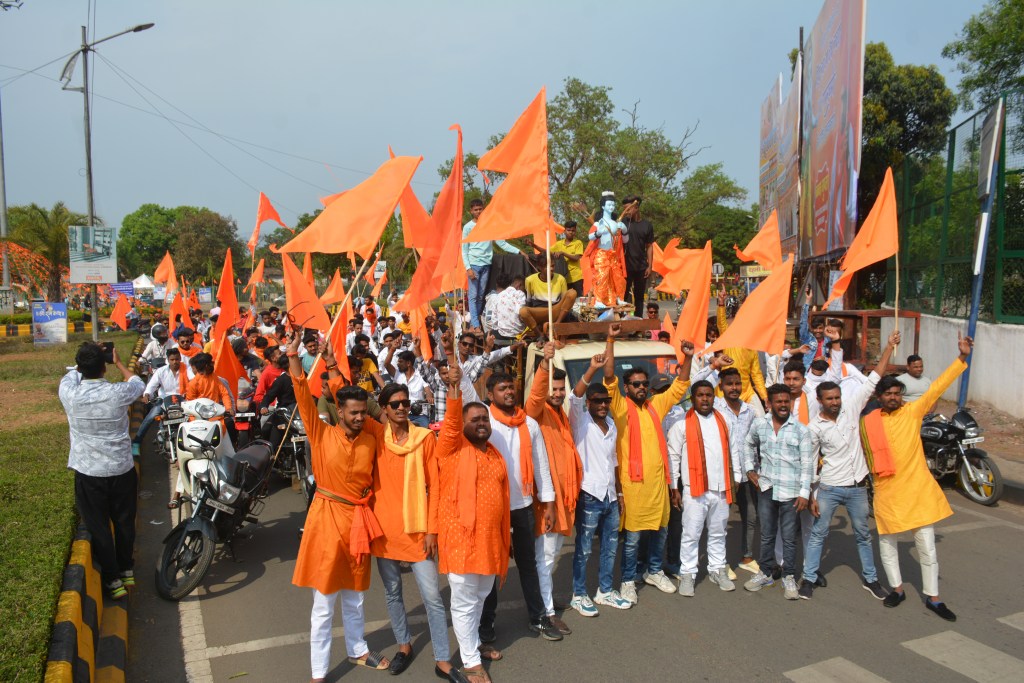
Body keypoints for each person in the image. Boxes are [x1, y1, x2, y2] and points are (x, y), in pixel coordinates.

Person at [288, 333, 391, 679]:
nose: (361, 417)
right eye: (354, 413)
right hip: (326, 520)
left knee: (356, 593)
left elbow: (384, 419)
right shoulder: (321, 433)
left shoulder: (372, 436)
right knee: (324, 601)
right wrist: (293, 357)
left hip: (359, 521)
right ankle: (318, 672)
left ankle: (358, 649)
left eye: (364, 412)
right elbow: (304, 397)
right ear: (339, 412)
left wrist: (334, 364)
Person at [868, 333, 974, 622]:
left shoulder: (912, 413)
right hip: (887, 490)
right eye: (888, 394)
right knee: (887, 545)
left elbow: (937, 386)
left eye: (896, 394)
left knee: (926, 547)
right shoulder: (869, 422)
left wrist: (961, 357)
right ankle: (897, 590)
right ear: (879, 398)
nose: (893, 398)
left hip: (916, 490)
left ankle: (934, 597)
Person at [355, 380, 454, 677]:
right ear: (384, 409)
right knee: (393, 593)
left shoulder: (424, 438)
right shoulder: (375, 434)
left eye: (405, 403)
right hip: (384, 533)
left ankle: (442, 658)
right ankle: (404, 646)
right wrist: (333, 366)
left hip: (417, 531)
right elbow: (350, 402)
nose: (401, 408)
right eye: (395, 404)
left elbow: (435, 487)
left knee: (433, 598)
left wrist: (433, 531)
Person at [799, 330, 900, 601]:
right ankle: (808, 578)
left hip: (857, 487)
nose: (835, 401)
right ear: (820, 401)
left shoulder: (853, 407)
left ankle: (871, 579)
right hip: (830, 487)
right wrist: (811, 494)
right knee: (819, 534)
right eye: (829, 398)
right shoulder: (814, 427)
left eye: (837, 397)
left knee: (863, 535)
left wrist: (889, 347)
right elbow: (810, 463)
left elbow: (875, 378)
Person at [605, 323, 693, 603]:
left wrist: (687, 357)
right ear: (626, 387)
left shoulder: (656, 405)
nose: (642, 388)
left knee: (661, 530)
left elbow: (680, 386)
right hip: (633, 485)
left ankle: (654, 571)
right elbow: (609, 376)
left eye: (644, 384)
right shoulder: (620, 407)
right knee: (632, 539)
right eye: (636, 384)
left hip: (658, 484)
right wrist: (610, 340)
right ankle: (629, 579)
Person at [436, 364, 510, 683]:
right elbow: (452, 423)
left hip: (489, 542)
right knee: (465, 602)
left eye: (484, 419)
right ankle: (469, 662)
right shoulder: (452, 448)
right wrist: (455, 390)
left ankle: (475, 645)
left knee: (480, 597)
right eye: (474, 420)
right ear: (462, 424)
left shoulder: (493, 452)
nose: (481, 424)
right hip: (461, 542)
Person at [479, 371, 562, 643]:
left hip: (524, 505)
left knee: (529, 564)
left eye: (511, 388)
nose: (509, 392)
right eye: (502, 389)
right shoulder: (484, 421)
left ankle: (538, 617)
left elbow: (541, 466)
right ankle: (486, 623)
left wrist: (548, 503)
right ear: (490, 394)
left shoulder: (529, 424)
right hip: (494, 507)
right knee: (492, 567)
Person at [59, 341, 146, 599]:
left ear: (81, 367)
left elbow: (71, 375)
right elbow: (138, 384)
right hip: (121, 469)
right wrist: (118, 362)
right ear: (104, 368)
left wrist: (86, 359)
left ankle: (112, 580)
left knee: (98, 527)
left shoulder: (70, 393)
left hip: (89, 472)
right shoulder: (117, 392)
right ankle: (126, 569)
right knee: (124, 522)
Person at [568, 353, 632, 616]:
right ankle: (579, 594)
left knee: (609, 546)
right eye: (598, 401)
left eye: (606, 401)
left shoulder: (612, 426)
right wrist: (593, 368)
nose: (604, 405)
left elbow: (613, 460)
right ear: (589, 404)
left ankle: (605, 591)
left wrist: (618, 491)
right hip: (589, 494)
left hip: (610, 496)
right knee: (583, 548)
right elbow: (575, 396)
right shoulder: (580, 422)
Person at [668, 380, 744, 596]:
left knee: (718, 532)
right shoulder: (681, 425)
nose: (704, 399)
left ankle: (717, 569)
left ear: (714, 397)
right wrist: (674, 487)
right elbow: (673, 457)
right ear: (692, 399)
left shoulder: (724, 421)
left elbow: (734, 450)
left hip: (720, 487)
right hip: (694, 490)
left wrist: (736, 476)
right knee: (691, 534)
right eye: (700, 395)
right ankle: (688, 574)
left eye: (708, 395)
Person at [526, 343, 583, 634]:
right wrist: (545, 364)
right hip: (547, 503)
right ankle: (544, 612)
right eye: (554, 389)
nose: (558, 393)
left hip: (564, 500)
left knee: (552, 555)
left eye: (561, 389)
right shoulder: (535, 413)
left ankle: (543, 601)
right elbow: (536, 396)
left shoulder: (560, 414)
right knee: (545, 557)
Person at [742, 384, 814, 600]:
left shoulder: (801, 430)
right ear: (770, 403)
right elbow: (747, 445)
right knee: (767, 534)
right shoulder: (759, 424)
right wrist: (750, 470)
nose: (783, 405)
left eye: (787, 401)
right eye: (779, 401)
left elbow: (807, 464)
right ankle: (765, 573)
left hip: (792, 492)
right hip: (766, 487)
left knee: (790, 537)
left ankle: (789, 576)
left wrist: (804, 493)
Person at [462, 197, 529, 330]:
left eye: (480, 209)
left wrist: (518, 251)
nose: (478, 212)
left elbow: (501, 242)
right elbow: (464, 249)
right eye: (476, 210)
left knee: (481, 295)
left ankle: (477, 321)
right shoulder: (468, 227)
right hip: (474, 264)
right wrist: (468, 268)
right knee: (473, 296)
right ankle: (475, 324)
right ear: (471, 211)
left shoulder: (489, 225)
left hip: (486, 263)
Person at [716, 288, 767, 415]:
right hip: (726, 389)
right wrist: (721, 303)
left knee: (761, 418)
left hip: (747, 391)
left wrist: (764, 397)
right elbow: (721, 324)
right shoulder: (729, 337)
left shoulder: (752, 348)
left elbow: (756, 374)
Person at [133, 347, 190, 456]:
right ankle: (136, 443)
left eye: (177, 359)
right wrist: (146, 394)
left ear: (180, 359)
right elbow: (152, 385)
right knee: (151, 417)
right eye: (172, 360)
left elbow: (193, 380)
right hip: (165, 399)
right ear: (168, 360)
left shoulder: (187, 369)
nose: (175, 362)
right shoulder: (161, 371)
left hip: (183, 399)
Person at [585, 192, 628, 307]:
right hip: (601, 254)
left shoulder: (616, 223)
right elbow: (590, 236)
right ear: (603, 206)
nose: (611, 207)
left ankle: (619, 298)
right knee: (602, 276)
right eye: (609, 205)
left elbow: (625, 240)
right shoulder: (598, 223)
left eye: (613, 205)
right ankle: (599, 300)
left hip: (613, 255)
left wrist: (624, 230)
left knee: (617, 277)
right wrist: (598, 232)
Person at [521, 255, 578, 339]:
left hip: (555, 309)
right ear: (539, 267)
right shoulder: (530, 280)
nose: (551, 268)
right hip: (539, 311)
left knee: (572, 293)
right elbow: (529, 301)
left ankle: (557, 325)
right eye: (547, 266)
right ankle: (539, 334)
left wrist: (558, 321)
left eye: (553, 266)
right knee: (523, 311)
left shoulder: (560, 279)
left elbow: (564, 300)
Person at [621, 195, 655, 317]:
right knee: (623, 296)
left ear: (636, 207)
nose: (626, 212)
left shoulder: (647, 225)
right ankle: (621, 323)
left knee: (639, 297)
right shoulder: (623, 223)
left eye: (628, 209)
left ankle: (638, 324)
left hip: (641, 267)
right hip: (625, 267)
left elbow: (649, 246)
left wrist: (650, 266)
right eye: (624, 209)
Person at [384, 350, 435, 428]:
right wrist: (393, 349)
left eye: (400, 362)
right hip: (400, 413)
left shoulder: (420, 375)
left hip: (418, 415)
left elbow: (428, 389)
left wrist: (429, 396)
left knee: (425, 427)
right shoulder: (397, 374)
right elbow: (386, 364)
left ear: (408, 363)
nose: (398, 364)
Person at [798, 288, 833, 370]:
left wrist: (825, 359)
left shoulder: (829, 340)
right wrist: (807, 300)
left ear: (824, 327)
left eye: (820, 328)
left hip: (825, 372)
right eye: (815, 328)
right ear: (812, 328)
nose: (818, 331)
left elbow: (835, 358)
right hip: (809, 372)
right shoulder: (807, 338)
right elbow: (803, 322)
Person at [550, 220, 585, 297]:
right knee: (565, 299)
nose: (570, 232)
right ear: (564, 231)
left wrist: (563, 253)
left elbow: (576, 258)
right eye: (568, 230)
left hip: (576, 278)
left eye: (573, 230)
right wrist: (534, 245)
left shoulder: (578, 243)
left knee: (577, 299)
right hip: (563, 278)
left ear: (575, 232)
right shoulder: (559, 244)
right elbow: (547, 251)